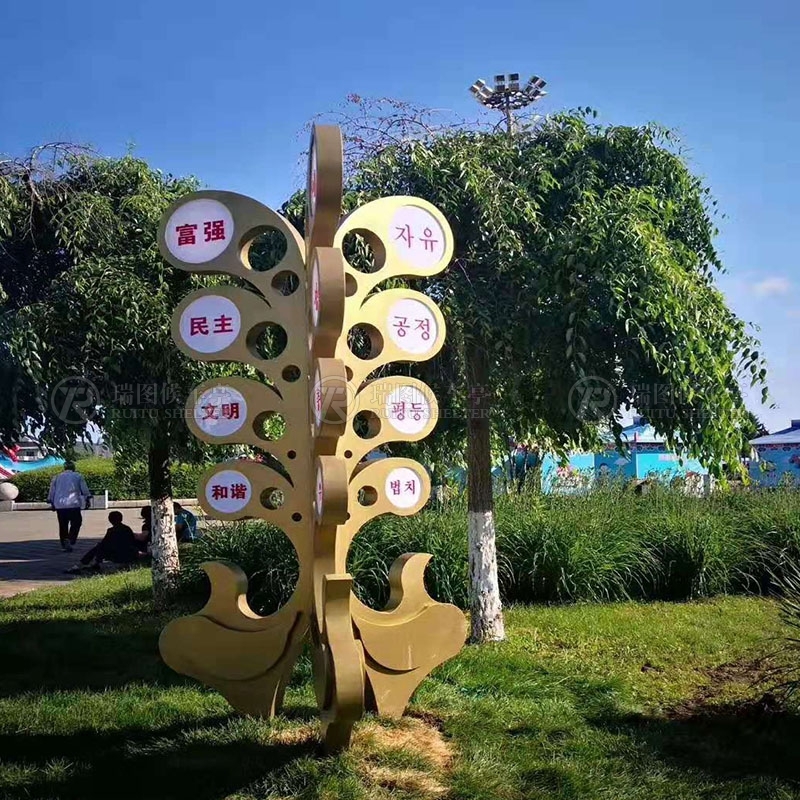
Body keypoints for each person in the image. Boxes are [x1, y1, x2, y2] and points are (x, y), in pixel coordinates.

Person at [68, 511, 140, 573]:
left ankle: (84, 564)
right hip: (129, 553)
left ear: (110, 520)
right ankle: (95, 563)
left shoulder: (111, 531)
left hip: (118, 555)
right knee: (101, 546)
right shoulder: (127, 529)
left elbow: (105, 543)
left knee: (99, 547)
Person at [47, 461, 92, 552]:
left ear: (64, 468)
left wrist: (51, 501)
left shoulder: (57, 477)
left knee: (63, 525)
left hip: (60, 505)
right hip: (73, 504)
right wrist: (87, 498)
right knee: (77, 523)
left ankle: (64, 544)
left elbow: (52, 490)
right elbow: (84, 489)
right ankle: (70, 539)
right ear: (73, 468)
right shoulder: (78, 476)